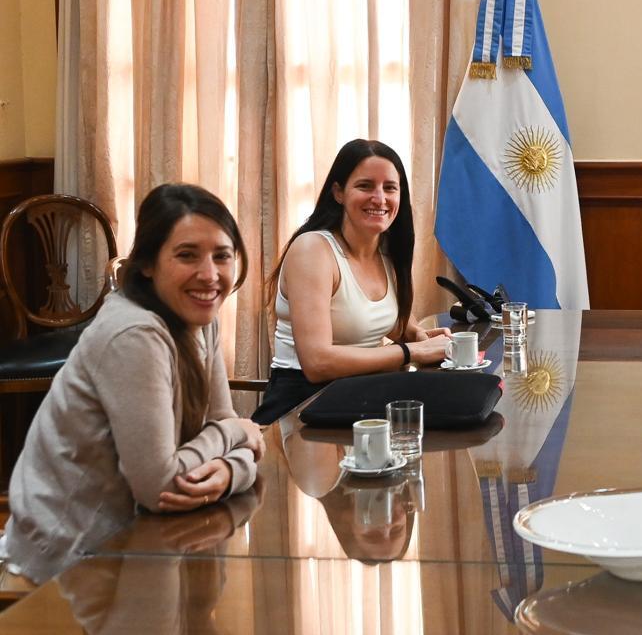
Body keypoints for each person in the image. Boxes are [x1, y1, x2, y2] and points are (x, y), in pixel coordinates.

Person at [0, 184, 265, 584]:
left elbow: (225, 423)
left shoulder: (200, 314)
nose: (210, 275)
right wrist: (235, 434)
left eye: (222, 256)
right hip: (70, 558)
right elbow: (159, 486)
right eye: (187, 255)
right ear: (147, 265)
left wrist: (233, 471)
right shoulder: (134, 334)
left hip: (136, 538)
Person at [252, 139, 451, 424]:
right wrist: (410, 351)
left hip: (361, 396)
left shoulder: (385, 255)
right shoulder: (313, 249)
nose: (380, 198)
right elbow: (317, 363)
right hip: (302, 406)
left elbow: (393, 324)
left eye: (390, 188)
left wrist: (419, 336)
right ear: (338, 192)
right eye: (365, 186)